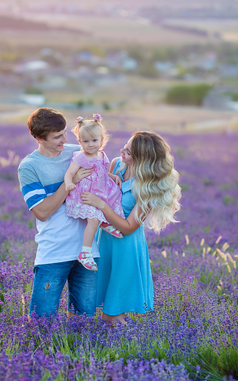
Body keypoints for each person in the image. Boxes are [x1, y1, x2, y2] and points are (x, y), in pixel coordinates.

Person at [81, 131, 181, 325]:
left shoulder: (148, 188)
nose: (121, 152)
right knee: (101, 307)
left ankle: (127, 350)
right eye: (124, 147)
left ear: (142, 159)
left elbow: (128, 227)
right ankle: (115, 350)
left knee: (113, 312)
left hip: (126, 248)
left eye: (127, 151)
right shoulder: (118, 165)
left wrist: (101, 205)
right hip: (105, 242)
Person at [18, 107, 100, 319]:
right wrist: (70, 182)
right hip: (54, 252)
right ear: (38, 138)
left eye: (65, 133)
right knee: (41, 322)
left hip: (89, 252)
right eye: (57, 137)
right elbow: (42, 212)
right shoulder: (29, 167)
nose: (65, 139)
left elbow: (104, 176)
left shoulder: (78, 153)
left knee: (86, 321)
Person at [64, 114, 125, 271]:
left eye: (94, 141)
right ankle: (85, 252)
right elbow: (69, 173)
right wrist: (69, 183)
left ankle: (106, 222)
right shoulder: (81, 157)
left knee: (116, 194)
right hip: (84, 195)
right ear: (79, 142)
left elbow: (103, 172)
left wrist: (113, 176)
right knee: (92, 220)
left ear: (102, 140)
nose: (90, 145)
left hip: (99, 191)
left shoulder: (102, 155)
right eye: (85, 141)